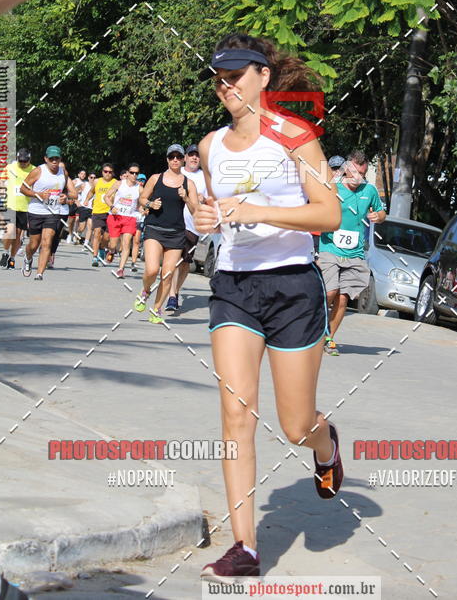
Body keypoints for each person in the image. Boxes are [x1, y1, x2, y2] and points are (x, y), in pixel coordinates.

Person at [194, 33, 343, 583]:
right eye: (219, 77)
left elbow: (329, 214)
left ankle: (326, 448)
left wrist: (257, 209)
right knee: (237, 413)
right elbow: (213, 211)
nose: (226, 84)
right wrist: (208, 219)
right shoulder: (211, 147)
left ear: (263, 75)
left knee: (295, 423)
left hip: (291, 288)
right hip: (234, 286)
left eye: (236, 74)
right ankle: (245, 548)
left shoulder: (296, 138)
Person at [318, 149, 386, 356]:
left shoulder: (370, 190)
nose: (359, 178)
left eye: (363, 174)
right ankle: (313, 330)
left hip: (355, 251)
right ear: (347, 169)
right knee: (330, 291)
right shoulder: (332, 188)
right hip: (330, 246)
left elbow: (382, 212)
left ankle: (328, 337)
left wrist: (379, 217)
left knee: (344, 298)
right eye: (355, 173)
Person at [134, 146, 197, 323]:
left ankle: (156, 309)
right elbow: (142, 199)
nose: (175, 160)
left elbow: (195, 211)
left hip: (176, 233)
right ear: (167, 159)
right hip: (155, 228)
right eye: (171, 156)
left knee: (167, 274)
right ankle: (145, 290)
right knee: (152, 269)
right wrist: (150, 204)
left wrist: (186, 198)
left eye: (178, 157)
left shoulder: (188, 183)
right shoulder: (156, 178)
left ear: (183, 159)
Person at [19, 146, 78, 280]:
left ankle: (39, 274)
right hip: (36, 211)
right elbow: (23, 189)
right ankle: (28, 258)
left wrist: (66, 197)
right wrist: (38, 194)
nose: (54, 161)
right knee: (33, 244)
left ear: (60, 159)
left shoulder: (63, 173)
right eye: (51, 159)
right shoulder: (38, 171)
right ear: (46, 159)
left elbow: (73, 193)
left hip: (53, 213)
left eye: (56, 158)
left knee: (47, 241)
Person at [166, 144, 207, 312]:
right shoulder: (177, 172)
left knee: (184, 264)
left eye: (197, 155)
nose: (194, 158)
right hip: (174, 223)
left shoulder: (205, 178)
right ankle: (171, 296)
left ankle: (175, 290)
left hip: (193, 226)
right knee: (174, 261)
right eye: (191, 154)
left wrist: (203, 198)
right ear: (185, 157)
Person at [103, 163, 142, 278]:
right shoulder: (119, 184)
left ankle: (121, 269)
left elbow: (140, 204)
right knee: (113, 243)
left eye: (136, 173)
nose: (134, 175)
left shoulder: (139, 188)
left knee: (126, 243)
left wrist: (143, 210)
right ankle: (111, 251)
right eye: (132, 172)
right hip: (115, 216)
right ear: (127, 173)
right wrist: (112, 207)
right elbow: (106, 197)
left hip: (130, 218)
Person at [0, 147, 34, 270]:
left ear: (29, 159)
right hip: (10, 205)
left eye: (25, 161)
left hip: (25, 207)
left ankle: (12, 258)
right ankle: (5, 252)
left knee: (18, 236)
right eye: (21, 161)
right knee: (10, 231)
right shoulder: (10, 168)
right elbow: (1, 182)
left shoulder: (34, 170)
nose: (23, 163)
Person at [84, 163, 117, 266]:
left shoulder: (116, 183)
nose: (107, 174)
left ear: (112, 173)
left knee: (106, 237)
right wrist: (87, 199)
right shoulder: (97, 181)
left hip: (110, 212)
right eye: (105, 171)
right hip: (98, 211)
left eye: (110, 172)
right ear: (102, 172)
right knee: (97, 232)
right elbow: (91, 192)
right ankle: (94, 257)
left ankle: (102, 248)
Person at [130, 173, 147, 271]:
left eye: (143, 180)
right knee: (126, 240)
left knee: (136, 241)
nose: (141, 182)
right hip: (129, 217)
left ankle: (133, 263)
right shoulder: (132, 189)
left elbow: (146, 205)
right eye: (139, 180)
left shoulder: (146, 191)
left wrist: (145, 210)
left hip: (139, 218)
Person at [66, 169, 86, 243]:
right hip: (74, 202)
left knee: (78, 220)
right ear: (78, 175)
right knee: (71, 221)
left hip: (81, 204)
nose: (83, 175)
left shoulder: (85, 183)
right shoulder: (75, 181)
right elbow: (69, 191)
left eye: (84, 174)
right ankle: (70, 234)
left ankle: (76, 235)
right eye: (81, 173)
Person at [75, 172, 94, 245]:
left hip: (92, 209)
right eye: (91, 177)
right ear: (88, 178)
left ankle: (86, 243)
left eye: (94, 178)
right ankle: (77, 234)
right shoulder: (84, 185)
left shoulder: (97, 186)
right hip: (83, 207)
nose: (93, 179)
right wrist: (77, 202)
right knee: (82, 228)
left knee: (90, 226)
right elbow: (74, 192)